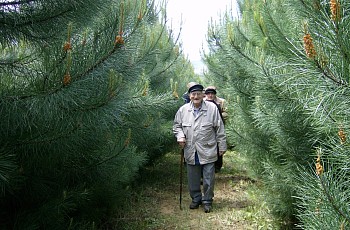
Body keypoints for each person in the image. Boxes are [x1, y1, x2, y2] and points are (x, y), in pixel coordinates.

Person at [173, 84, 227, 213]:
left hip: (208, 148)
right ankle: (196, 199)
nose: (196, 96)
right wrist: (180, 136)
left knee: (209, 178)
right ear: (189, 95)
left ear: (203, 95)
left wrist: (222, 146)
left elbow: (219, 128)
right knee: (193, 178)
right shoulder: (183, 110)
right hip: (191, 149)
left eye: (198, 94)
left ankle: (207, 200)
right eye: (193, 94)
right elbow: (176, 126)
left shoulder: (212, 108)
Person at [204, 86, 228, 173]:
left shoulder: (220, 102)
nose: (210, 95)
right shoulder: (202, 103)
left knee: (218, 146)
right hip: (206, 130)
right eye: (208, 93)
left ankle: (217, 166)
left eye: (212, 93)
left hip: (217, 127)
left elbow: (226, 113)